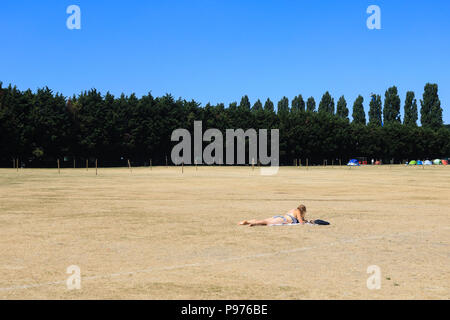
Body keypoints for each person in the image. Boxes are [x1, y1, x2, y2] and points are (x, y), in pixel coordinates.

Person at [238, 205, 310, 227]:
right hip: (284, 220)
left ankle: (248, 221)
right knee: (266, 222)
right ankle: (253, 223)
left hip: (280, 217)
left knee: (265, 220)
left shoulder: (292, 210)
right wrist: (306, 221)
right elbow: (301, 222)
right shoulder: (298, 211)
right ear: (303, 211)